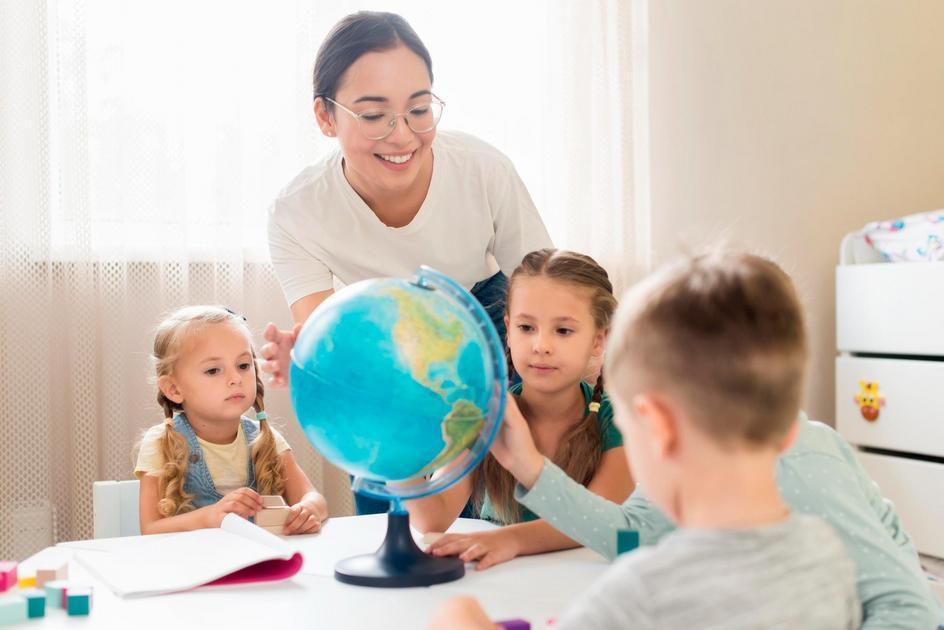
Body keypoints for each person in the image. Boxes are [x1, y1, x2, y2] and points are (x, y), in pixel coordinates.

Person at [431, 252, 862, 629]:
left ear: (658, 431)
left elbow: (623, 536)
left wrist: (457, 614)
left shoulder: (645, 589)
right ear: (788, 431)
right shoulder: (828, 556)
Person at [263, 11, 552, 514]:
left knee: (498, 499)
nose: (402, 136)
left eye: (419, 110)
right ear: (325, 117)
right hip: (377, 335)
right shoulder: (297, 211)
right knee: (387, 485)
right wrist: (306, 355)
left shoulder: (483, 170)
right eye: (374, 116)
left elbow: (548, 290)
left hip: (488, 314)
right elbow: (330, 341)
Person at [407, 249, 632, 570]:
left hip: (584, 582)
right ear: (508, 330)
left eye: (563, 330)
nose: (541, 345)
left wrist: (508, 540)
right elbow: (433, 518)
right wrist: (394, 451)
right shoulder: (485, 414)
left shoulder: (618, 421)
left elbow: (599, 520)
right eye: (527, 328)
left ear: (599, 340)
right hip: (501, 579)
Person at [134, 306, 328, 535]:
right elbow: (151, 529)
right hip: (193, 566)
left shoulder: (266, 440)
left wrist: (308, 510)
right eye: (213, 370)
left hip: (260, 563)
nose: (235, 378)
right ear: (174, 389)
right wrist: (210, 517)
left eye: (243, 365)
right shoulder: (161, 443)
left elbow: (315, 499)